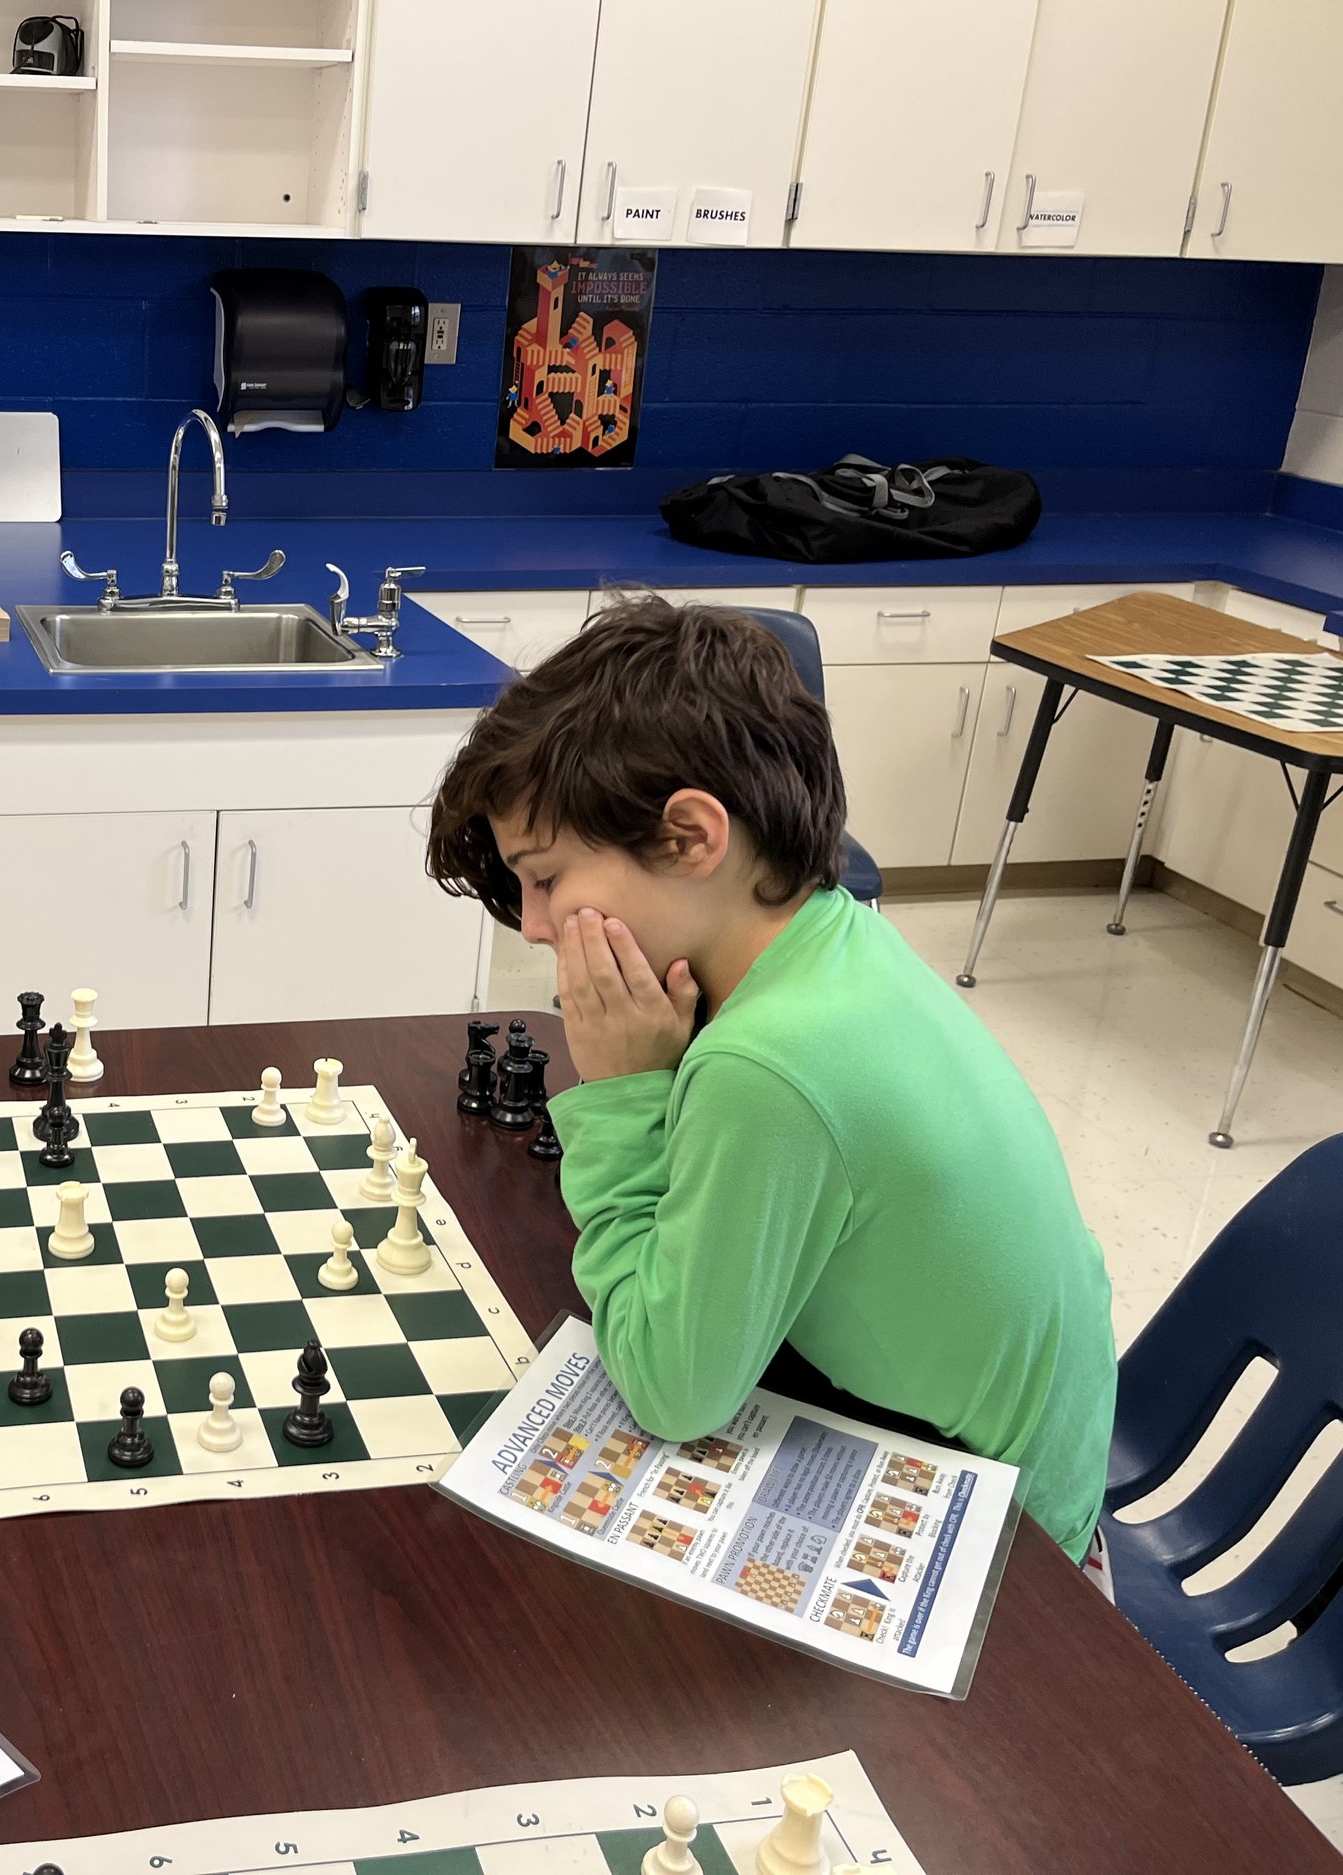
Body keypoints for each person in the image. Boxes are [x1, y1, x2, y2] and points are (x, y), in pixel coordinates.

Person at [425, 595, 1115, 1563]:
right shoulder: (834, 935)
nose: (534, 926)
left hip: (1012, 1559)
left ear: (691, 838)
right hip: (1057, 1471)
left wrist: (625, 1094)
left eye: (546, 878)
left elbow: (673, 1390)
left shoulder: (765, 1067)